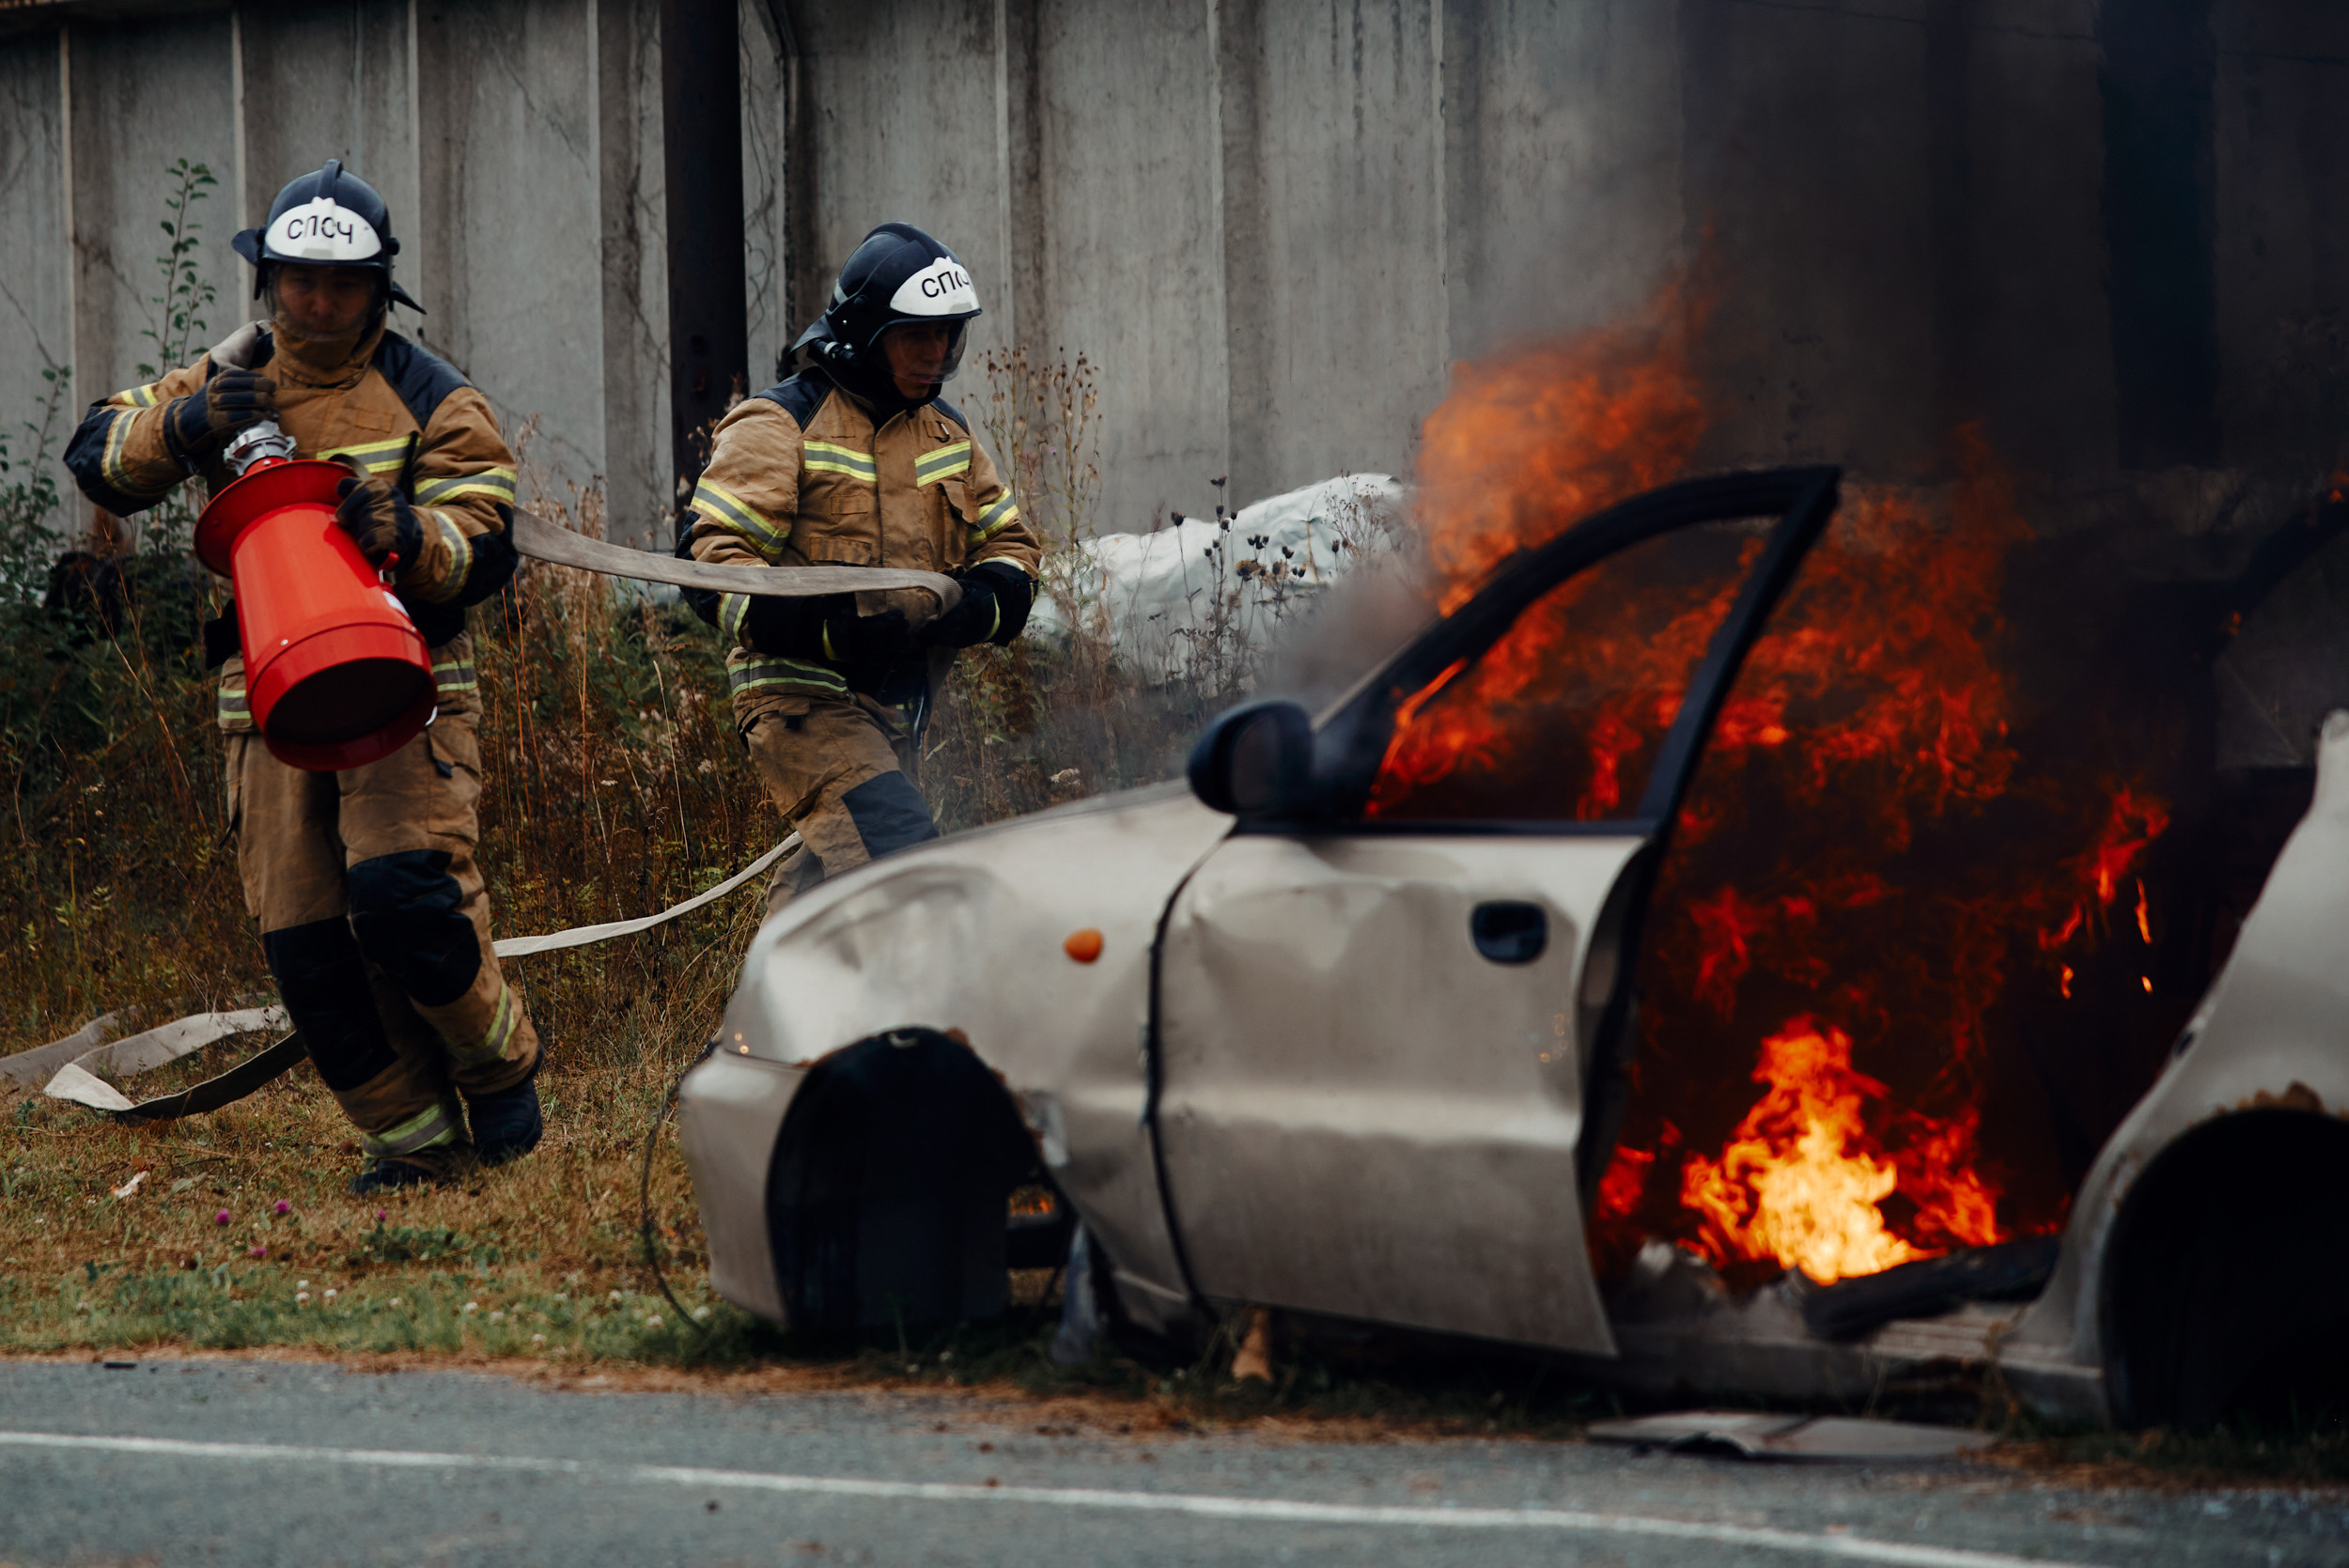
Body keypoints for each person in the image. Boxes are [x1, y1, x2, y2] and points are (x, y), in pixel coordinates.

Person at [64, 161, 543, 1193]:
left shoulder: (432, 397)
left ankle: (498, 1067)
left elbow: (488, 541)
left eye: (340, 286)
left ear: (380, 290)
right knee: (306, 942)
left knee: (404, 891)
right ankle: (412, 1138)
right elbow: (96, 452)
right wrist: (180, 428)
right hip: (264, 704)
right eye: (296, 283)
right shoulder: (221, 376)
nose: (316, 304)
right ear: (267, 281)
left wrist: (412, 534)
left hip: (407, 693)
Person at [679, 224, 1042, 910]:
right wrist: (825, 629)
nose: (935, 356)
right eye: (916, 337)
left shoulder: (946, 432)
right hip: (801, 701)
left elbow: (1011, 545)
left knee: (817, 914)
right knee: (903, 871)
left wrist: (979, 603)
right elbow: (709, 564)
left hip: (895, 710)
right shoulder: (780, 424)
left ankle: (756, 1024)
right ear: (866, 336)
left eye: (947, 336)